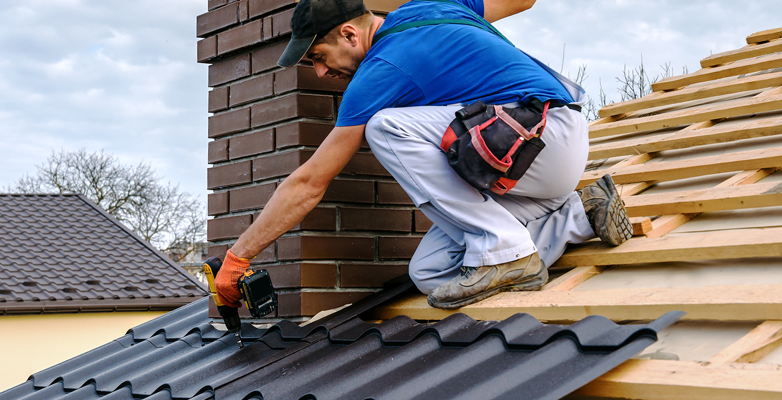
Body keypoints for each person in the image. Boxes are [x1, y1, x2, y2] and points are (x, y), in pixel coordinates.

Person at [213, 0, 631, 310]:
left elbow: (309, 183)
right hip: (530, 167)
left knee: (386, 126)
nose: (321, 73)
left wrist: (239, 256)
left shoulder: (381, 69)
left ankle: (506, 249)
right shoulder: (438, 6)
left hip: (542, 136)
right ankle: (580, 215)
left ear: (349, 34)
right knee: (430, 272)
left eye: (319, 58)